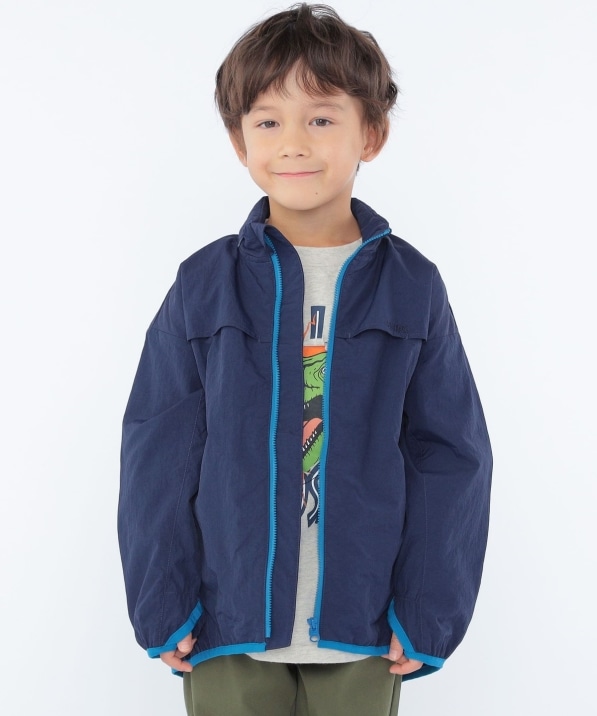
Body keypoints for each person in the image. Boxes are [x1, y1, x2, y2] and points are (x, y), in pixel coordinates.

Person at [118, 4, 492, 715]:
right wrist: (162, 602)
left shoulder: (412, 286)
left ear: (371, 134)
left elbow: (451, 455)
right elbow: (156, 449)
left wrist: (427, 610)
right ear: (239, 142)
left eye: (320, 118)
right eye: (267, 122)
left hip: (364, 626)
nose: (293, 142)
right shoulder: (203, 284)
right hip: (226, 626)